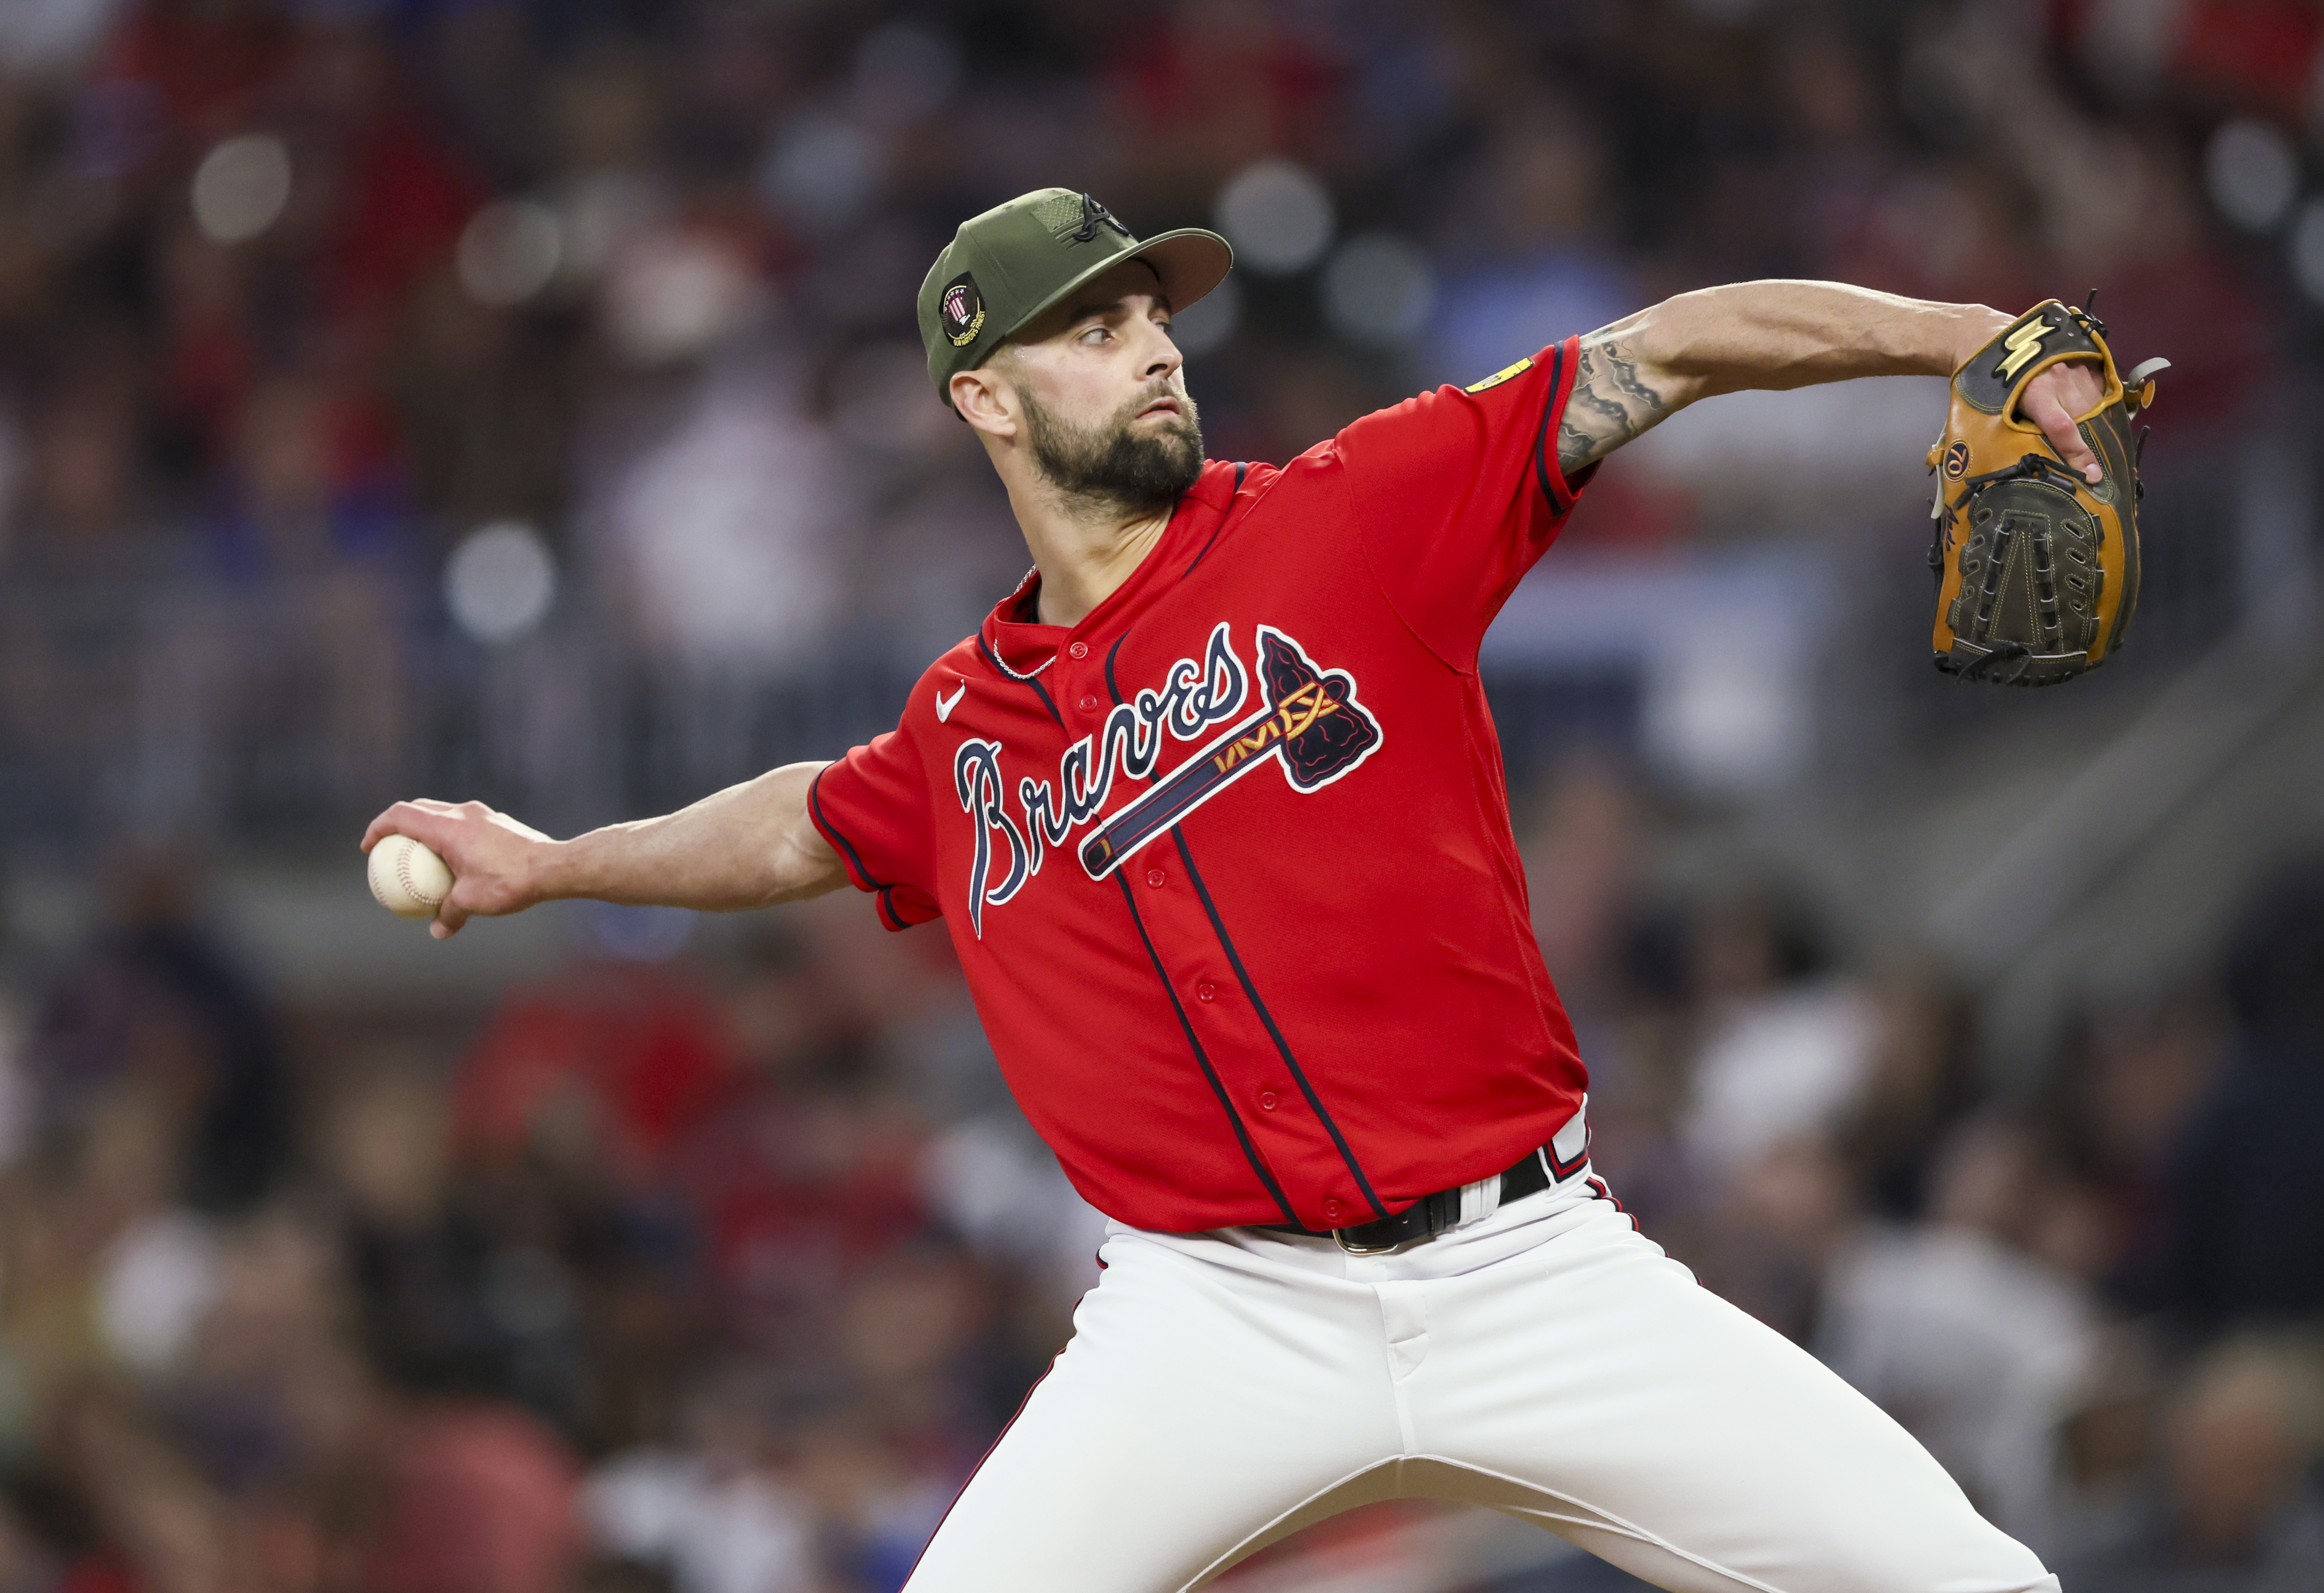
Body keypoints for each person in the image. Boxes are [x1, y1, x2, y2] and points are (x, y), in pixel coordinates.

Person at [368, 188, 2107, 1593]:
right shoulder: (966, 724)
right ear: (984, 395)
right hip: (1213, 1316)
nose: (1153, 351)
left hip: (1536, 1272)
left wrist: (1957, 336)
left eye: (1154, 316)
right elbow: (812, 823)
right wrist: (560, 863)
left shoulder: (1357, 513)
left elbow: (1665, 351)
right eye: (1095, 327)